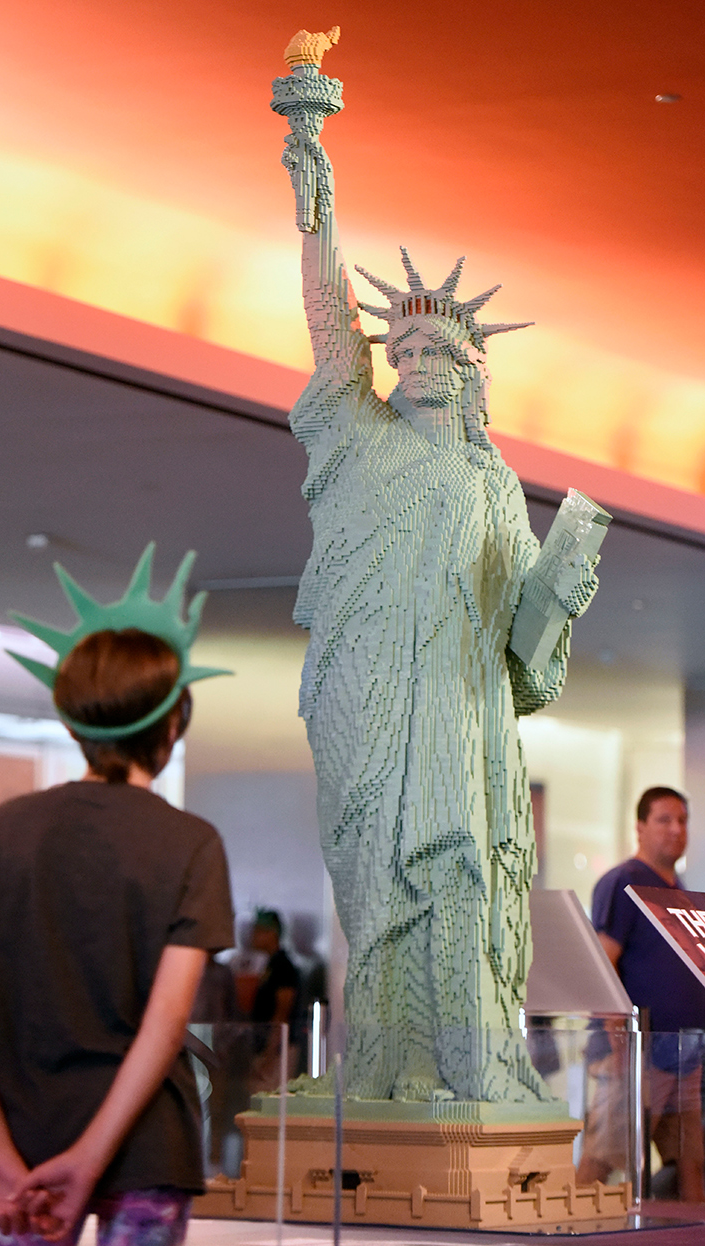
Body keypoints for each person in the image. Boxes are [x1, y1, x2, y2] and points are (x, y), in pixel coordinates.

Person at [272, 32, 598, 1102]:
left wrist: (560, 588)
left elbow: (519, 654)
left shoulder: (496, 488)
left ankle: (461, 1065)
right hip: (367, 695)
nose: (410, 365)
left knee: (458, 870)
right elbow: (328, 320)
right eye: (399, 352)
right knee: (374, 877)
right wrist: (310, 160)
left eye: (433, 355)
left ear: (469, 375)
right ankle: (384, 1062)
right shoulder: (355, 438)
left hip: (459, 716)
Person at [0, 546, 234, 1245]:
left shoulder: (7, 827)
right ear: (171, 726)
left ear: (76, 722)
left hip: (21, 1144)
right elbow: (164, 1025)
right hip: (145, 1146)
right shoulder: (190, 842)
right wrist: (94, 1158)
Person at [576, 787, 705, 1201]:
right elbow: (603, 964)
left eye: (682, 820)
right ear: (640, 826)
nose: (676, 829)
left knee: (690, 1158)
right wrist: (620, 1046)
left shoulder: (678, 888)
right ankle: (566, 1231)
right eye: (664, 820)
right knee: (607, 1156)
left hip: (684, 1053)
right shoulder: (625, 881)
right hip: (637, 1054)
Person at [248, 910, 300, 1092]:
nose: (252, 936)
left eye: (257, 931)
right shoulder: (269, 965)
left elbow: (282, 1013)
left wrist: (270, 1054)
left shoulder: (283, 967)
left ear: (271, 933)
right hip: (267, 1048)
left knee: (271, 1104)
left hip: (278, 1051)